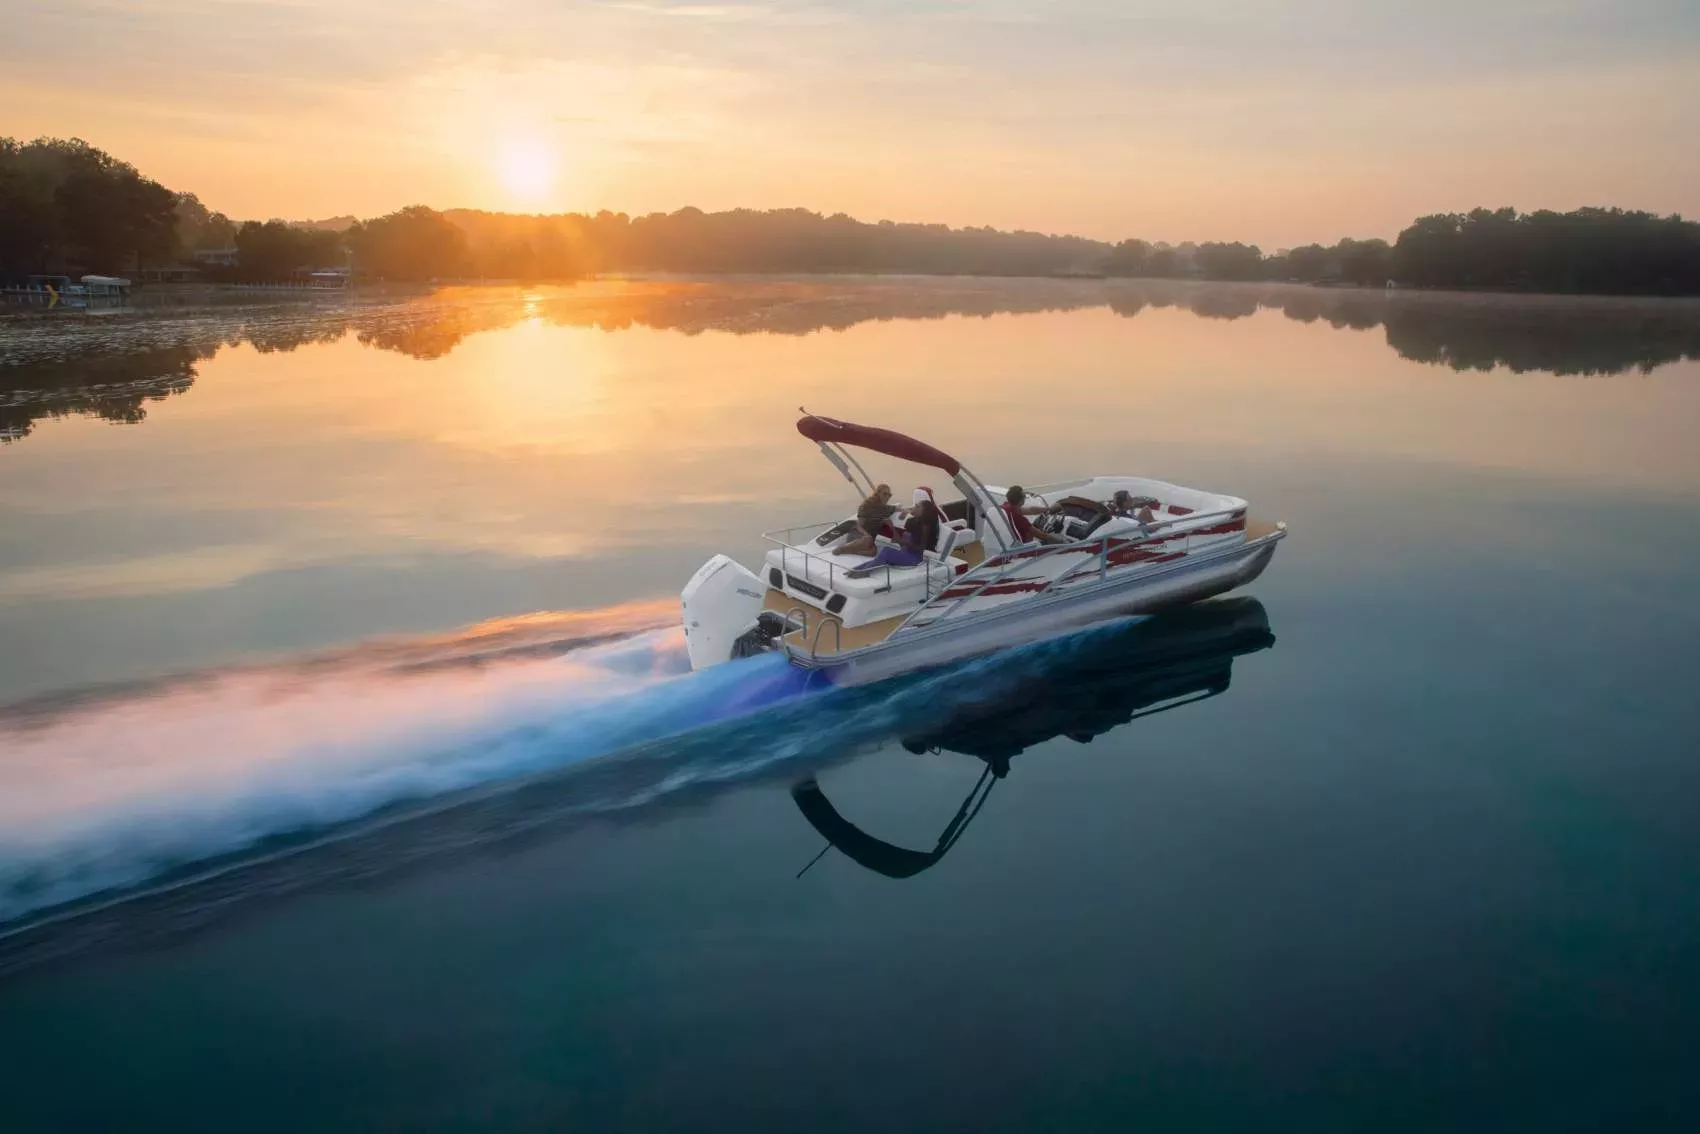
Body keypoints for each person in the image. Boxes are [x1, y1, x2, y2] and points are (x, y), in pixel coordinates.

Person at [848, 491, 940, 577]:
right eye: (915, 505)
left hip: (914, 558)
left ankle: (864, 572)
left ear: (924, 512)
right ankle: (856, 569)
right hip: (904, 552)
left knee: (886, 551)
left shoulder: (925, 526)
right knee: (883, 553)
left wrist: (902, 541)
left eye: (917, 506)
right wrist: (891, 527)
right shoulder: (911, 522)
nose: (914, 507)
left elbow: (921, 547)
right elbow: (901, 543)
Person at [836, 483, 896, 558]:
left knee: (873, 552)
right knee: (868, 540)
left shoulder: (885, 508)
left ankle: (851, 551)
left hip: (869, 541)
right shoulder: (867, 505)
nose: (887, 497)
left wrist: (904, 511)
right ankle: (842, 549)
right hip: (858, 535)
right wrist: (866, 535)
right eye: (885, 494)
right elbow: (858, 525)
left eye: (889, 495)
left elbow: (896, 508)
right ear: (878, 493)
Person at [1000, 485, 1069, 545]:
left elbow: (1030, 510)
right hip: (1026, 549)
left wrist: (1048, 509)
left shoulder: (1007, 507)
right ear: (1021, 500)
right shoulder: (1020, 519)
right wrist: (1063, 541)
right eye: (1024, 496)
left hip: (1011, 541)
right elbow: (1041, 536)